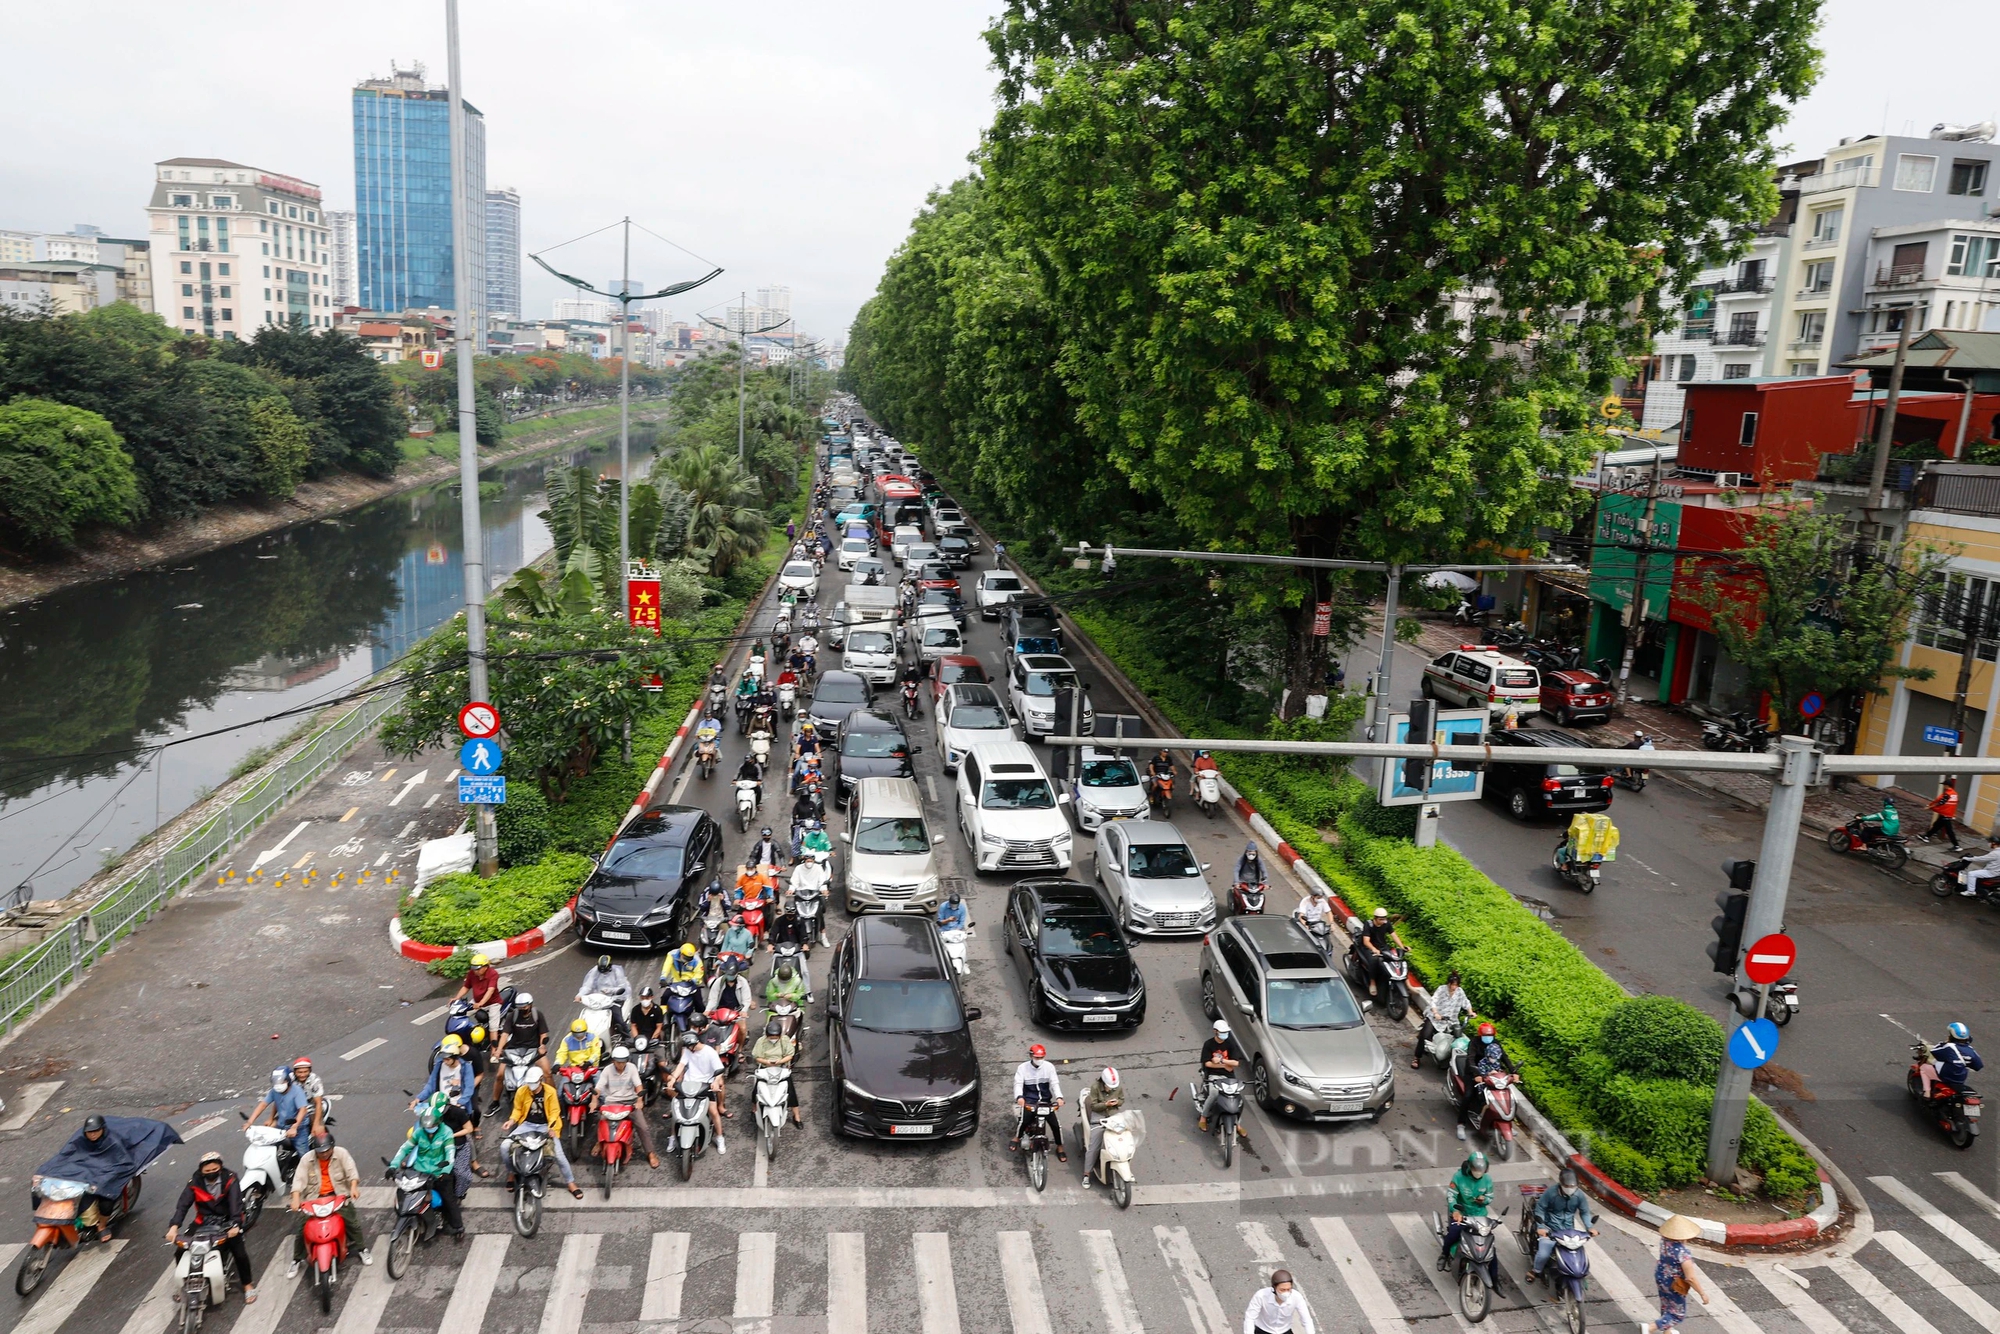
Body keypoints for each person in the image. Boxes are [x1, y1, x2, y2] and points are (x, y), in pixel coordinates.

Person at [166, 1151, 257, 1305]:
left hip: (227, 1221)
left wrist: (235, 1224)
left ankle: (247, 1285)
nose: (211, 1173)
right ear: (201, 1171)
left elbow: (236, 1204)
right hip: (203, 1221)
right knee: (180, 1251)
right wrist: (174, 1227)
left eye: (214, 1169)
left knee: (239, 1253)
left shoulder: (231, 1179)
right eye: (207, 1171)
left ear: (220, 1168)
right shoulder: (194, 1182)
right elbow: (183, 1205)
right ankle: (183, 1286)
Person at [285, 1133, 370, 1276]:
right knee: (302, 1229)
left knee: (352, 1223)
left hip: (338, 1196)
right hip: (314, 1198)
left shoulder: (341, 1154)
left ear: (332, 1147)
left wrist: (353, 1187)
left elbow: (351, 1172)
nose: (324, 1154)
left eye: (327, 1150)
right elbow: (298, 1180)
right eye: (320, 1151)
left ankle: (362, 1249)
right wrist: (295, 1198)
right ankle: (297, 1259)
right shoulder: (307, 1159)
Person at [501, 1068, 584, 1199]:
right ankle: (511, 1172)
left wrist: (551, 1128)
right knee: (505, 1146)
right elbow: (517, 1109)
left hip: (545, 1126)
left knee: (559, 1156)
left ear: (540, 1080)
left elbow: (554, 1112)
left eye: (534, 1082)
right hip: (526, 1125)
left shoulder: (550, 1092)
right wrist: (511, 1121)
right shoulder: (522, 1091)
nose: (531, 1086)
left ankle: (570, 1182)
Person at [387, 1106, 465, 1244]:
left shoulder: (446, 1133)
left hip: (439, 1173)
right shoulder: (419, 1133)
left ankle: (458, 1227)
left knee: (448, 1200)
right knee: (406, 1193)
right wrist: (393, 1165)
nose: (429, 1127)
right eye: (426, 1125)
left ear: (439, 1122)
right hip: (420, 1172)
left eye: (432, 1125)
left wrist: (445, 1171)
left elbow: (450, 1155)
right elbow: (405, 1148)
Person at [1525, 1166, 1599, 1283]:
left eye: (1573, 1187)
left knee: (1577, 1253)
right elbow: (1540, 1209)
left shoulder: (1579, 1195)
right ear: (1561, 1184)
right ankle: (1536, 1271)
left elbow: (1584, 1212)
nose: (1570, 1189)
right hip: (1550, 1229)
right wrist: (1541, 1227)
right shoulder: (1551, 1193)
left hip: (1568, 1230)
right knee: (1544, 1254)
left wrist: (1589, 1226)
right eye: (1567, 1187)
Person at [593, 1047, 660, 1170]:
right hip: (612, 1103)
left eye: (623, 1062)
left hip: (630, 1102)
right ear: (613, 1061)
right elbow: (598, 1088)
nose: (621, 1064)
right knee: (601, 1121)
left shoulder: (631, 1068)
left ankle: (650, 1153)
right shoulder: (607, 1070)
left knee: (643, 1127)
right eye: (618, 1062)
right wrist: (594, 1100)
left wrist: (639, 1101)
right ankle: (600, 1142)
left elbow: (638, 1086)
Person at [1644, 1215, 1714, 1332]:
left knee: (1666, 1304)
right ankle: (1650, 1328)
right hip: (1674, 1283)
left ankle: (1667, 1331)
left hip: (1661, 1276)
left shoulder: (1664, 1241)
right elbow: (1690, 1278)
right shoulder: (1683, 1253)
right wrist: (1702, 1293)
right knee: (1677, 1314)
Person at [489, 991, 550, 1113]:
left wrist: (542, 1045)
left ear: (530, 1005)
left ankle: (551, 1101)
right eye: (520, 1007)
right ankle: (495, 1102)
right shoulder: (513, 1016)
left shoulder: (537, 1015)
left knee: (547, 1072)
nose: (522, 1009)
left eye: (524, 1007)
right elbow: (505, 1034)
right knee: (500, 1075)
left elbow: (543, 1033)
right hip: (513, 1049)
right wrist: (499, 1050)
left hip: (533, 1050)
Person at [669, 1030, 728, 1154]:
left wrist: (716, 1081)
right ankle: (673, 1137)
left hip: (705, 1086)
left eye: (688, 1047)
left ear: (694, 1044)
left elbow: (719, 1070)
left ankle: (719, 1137)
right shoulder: (688, 1051)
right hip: (689, 1084)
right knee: (677, 1111)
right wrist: (673, 1079)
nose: (687, 1049)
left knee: (713, 1111)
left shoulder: (710, 1052)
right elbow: (681, 1065)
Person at [1439, 1150, 1495, 1267]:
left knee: (1489, 1247)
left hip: (1479, 1215)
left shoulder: (1487, 1180)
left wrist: (1483, 1199)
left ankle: (1494, 1280)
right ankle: (1444, 1254)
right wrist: (1455, 1210)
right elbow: (1451, 1195)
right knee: (1453, 1234)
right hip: (1462, 1215)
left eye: (1481, 1170)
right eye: (1476, 1169)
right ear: (1470, 1166)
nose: (1478, 1173)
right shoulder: (1458, 1177)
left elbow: (1490, 1197)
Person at [1011, 1043, 1066, 1160]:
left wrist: (1059, 1097)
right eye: (1037, 1058)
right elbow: (1018, 1084)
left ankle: (1060, 1147)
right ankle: (1017, 1137)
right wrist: (1019, 1097)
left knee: (1056, 1126)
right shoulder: (1022, 1068)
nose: (1039, 1060)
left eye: (1041, 1058)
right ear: (1031, 1056)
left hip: (1045, 1102)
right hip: (1030, 1101)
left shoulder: (1049, 1067)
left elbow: (1054, 1083)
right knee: (1024, 1121)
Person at [1196, 1020, 1249, 1137]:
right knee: (1214, 1094)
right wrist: (1225, 1065)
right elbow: (1207, 1064)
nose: (1225, 1034)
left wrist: (1221, 1061)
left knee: (1238, 1099)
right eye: (1222, 1032)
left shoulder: (1230, 1044)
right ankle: (1203, 1118)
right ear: (1215, 1031)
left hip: (1228, 1076)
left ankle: (1238, 1124)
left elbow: (1236, 1063)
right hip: (1213, 1075)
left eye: (1226, 1032)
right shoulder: (1208, 1044)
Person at [751, 1016, 804, 1127]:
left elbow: (790, 1055)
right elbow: (757, 1057)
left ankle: (797, 1116)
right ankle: (754, 1109)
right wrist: (767, 1062)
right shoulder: (761, 1042)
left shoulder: (784, 1040)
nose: (773, 1039)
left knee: (791, 1090)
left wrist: (780, 1061)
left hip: (782, 1067)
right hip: (765, 1067)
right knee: (756, 1090)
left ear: (780, 1035)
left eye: (776, 1037)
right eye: (771, 1037)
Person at [247, 1068, 312, 1159]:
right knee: (267, 1144)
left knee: (304, 1156)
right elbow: (263, 1105)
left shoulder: (297, 1091)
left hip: (299, 1127)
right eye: (276, 1081)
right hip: (282, 1125)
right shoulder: (274, 1091)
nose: (278, 1084)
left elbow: (303, 1110)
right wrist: (250, 1122)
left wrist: (294, 1127)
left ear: (288, 1080)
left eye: (282, 1081)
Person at [1415, 971, 1475, 1069]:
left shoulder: (1460, 992)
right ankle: (1417, 1057)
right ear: (1449, 983)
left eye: (1456, 985)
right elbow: (1433, 1000)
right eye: (1452, 985)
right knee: (1425, 1035)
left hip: (1451, 1020)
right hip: (1435, 1019)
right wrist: (1436, 1013)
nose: (1454, 987)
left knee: (1456, 1037)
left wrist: (1470, 1012)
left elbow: (1466, 1002)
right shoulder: (1441, 989)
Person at [1079, 1066, 1123, 1186]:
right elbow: (1093, 1106)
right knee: (1093, 1147)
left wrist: (1117, 1102)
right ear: (1103, 1082)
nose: (1112, 1089)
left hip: (1113, 1116)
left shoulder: (1117, 1087)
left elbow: (1122, 1099)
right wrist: (1105, 1104)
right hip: (1098, 1116)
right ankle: (1086, 1174)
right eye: (1109, 1087)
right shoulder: (1095, 1087)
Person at [1242, 1269, 1316, 1334]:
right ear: (1274, 1288)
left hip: (1284, 1331)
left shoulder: (1297, 1297)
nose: (1286, 1293)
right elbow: (1250, 1318)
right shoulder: (1261, 1296)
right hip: (1263, 1330)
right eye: (1282, 1290)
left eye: (1289, 1289)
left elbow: (1306, 1320)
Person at [1921, 1021, 1983, 1098]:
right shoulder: (1970, 1050)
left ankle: (1927, 1092)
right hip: (1960, 1079)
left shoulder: (1949, 1046)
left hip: (1945, 1077)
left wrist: (1944, 1042)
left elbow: (1934, 1051)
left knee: (1923, 1068)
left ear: (1951, 1036)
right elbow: (1978, 1066)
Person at [577, 954, 632, 1040]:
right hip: (599, 999)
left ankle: (627, 1037)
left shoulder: (617, 972)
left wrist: (610, 991)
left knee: (618, 1018)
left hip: (614, 998)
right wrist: (579, 995)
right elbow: (588, 986)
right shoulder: (595, 972)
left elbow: (622, 987)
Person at [1355, 906, 1404, 1001]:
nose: (1383, 921)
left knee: (1395, 959)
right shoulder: (1368, 925)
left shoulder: (1386, 924)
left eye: (1384, 919)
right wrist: (1373, 949)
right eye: (1381, 919)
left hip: (1382, 947)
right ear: (1375, 918)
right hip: (1369, 948)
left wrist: (1402, 947)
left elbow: (1394, 936)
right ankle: (1372, 982)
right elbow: (1366, 941)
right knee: (1375, 960)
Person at [453, 953, 503, 1034]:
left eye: (477, 969)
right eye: (473, 968)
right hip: (476, 1001)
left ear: (485, 967)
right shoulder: (472, 974)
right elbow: (466, 987)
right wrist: (457, 997)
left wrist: (481, 1003)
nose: (475, 971)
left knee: (493, 1027)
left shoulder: (493, 974)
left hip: (493, 1003)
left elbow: (490, 990)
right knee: (461, 1014)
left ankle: (495, 1046)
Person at [1925, 780, 1964, 850]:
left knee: (1949, 831)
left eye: (1944, 785)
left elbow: (1939, 802)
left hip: (1945, 814)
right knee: (1936, 825)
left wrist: (1929, 807)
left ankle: (1956, 846)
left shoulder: (1947, 794)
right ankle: (1926, 836)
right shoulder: (1955, 794)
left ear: (1947, 786)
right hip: (1949, 814)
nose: (1943, 786)